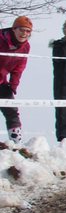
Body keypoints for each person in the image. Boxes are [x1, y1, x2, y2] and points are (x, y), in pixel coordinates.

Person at [0, 15, 32, 144]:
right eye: (21, 30)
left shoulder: (26, 46)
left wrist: (13, 85)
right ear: (14, 29)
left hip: (2, 82)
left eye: (27, 31)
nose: (24, 33)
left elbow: (20, 66)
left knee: (12, 110)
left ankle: (15, 143)